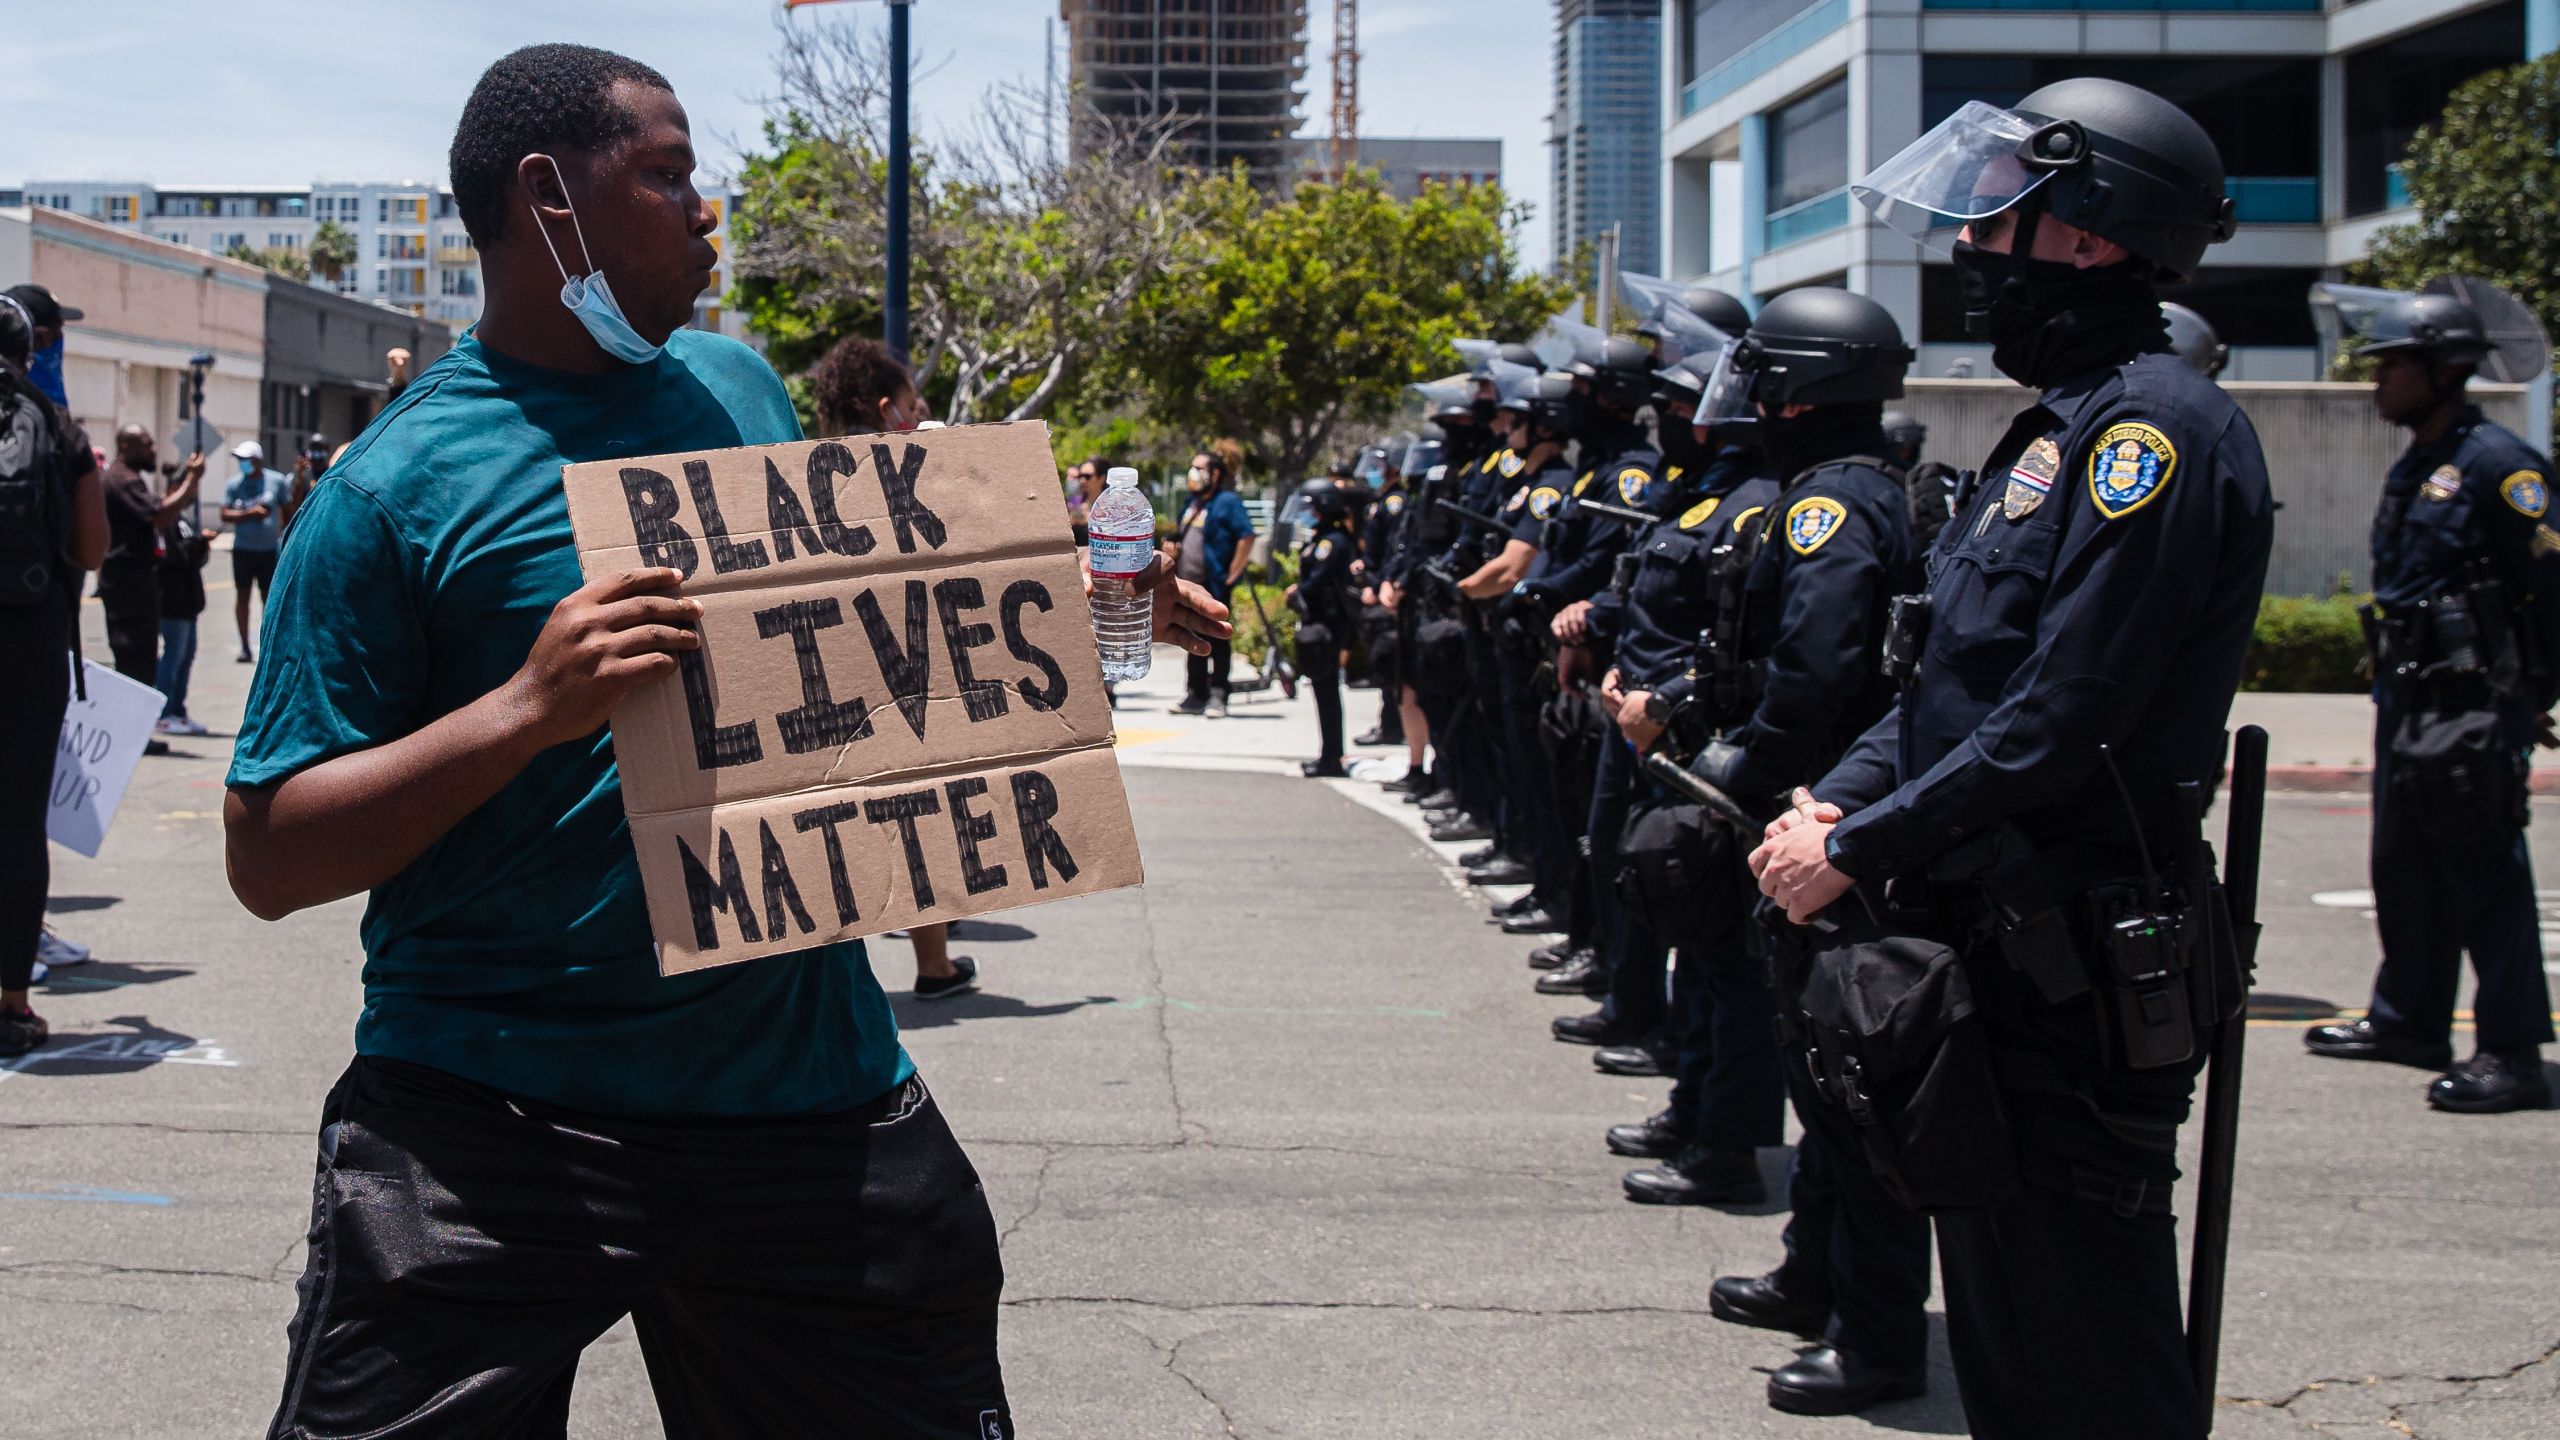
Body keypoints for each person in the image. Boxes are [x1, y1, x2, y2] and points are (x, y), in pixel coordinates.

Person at [222, 46, 1224, 1436]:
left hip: (800, 1105)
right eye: (669, 175)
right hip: (488, 1126)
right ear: (549, 201)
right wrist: (525, 709)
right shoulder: (389, 494)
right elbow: (268, 851)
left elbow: (847, 646)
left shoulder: (734, 393)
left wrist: (1069, 600)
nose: (709, 213)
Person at [1752, 77, 2271, 1437]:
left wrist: (1852, 848)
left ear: (2091, 233)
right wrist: (1838, 798)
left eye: (2001, 214)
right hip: (1992, 953)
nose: (1974, 248)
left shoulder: (2153, 435)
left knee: (2084, 1357)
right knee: (2007, 1351)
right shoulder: (2060, 429)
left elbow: (2064, 718)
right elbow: (1946, 681)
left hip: (2076, 964)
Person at [2303, 286, 2557, 1113]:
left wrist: (2534, 696)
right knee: (2403, 866)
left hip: (2475, 705)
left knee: (2486, 873)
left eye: (2392, 366)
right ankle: (2408, 1021)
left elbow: (2552, 588)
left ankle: (2513, 1051)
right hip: (2411, 697)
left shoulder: (2502, 468)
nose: (2377, 382)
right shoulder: (2423, 463)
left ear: (2445, 370)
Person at [808, 331, 982, 1003]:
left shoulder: (801, 477)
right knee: (922, 823)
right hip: (907, 677)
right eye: (912, 402)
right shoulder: (919, 475)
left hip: (828, 682)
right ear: (889, 410)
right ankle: (933, 966)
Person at [0, 292, 107, 1056]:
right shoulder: (60, 427)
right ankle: (12, 1001)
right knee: (17, 823)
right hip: (29, 645)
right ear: (32, 349)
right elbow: (94, 548)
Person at [98, 425, 203, 695]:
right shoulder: (123, 480)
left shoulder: (126, 477)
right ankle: (133, 733)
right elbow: (160, 514)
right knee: (135, 660)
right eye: (146, 444)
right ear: (125, 446)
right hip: (128, 585)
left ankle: (140, 733)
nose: (153, 449)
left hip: (134, 582)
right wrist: (191, 479)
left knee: (143, 659)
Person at [1173, 447, 1254, 717]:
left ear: (1215, 474)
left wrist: (1232, 573)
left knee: (1218, 639)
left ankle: (1219, 693)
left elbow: (1246, 536)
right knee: (1192, 636)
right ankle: (1195, 693)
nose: (1192, 474)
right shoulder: (1191, 504)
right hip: (1188, 586)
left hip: (1215, 586)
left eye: (1199, 468)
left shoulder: (1227, 502)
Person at [1291, 482, 1362, 777]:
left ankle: (1332, 757)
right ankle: (1328, 753)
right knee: (1323, 691)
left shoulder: (1332, 542)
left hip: (1328, 627)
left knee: (1328, 691)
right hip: (1320, 624)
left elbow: (1318, 581)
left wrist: (1298, 591)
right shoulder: (1324, 538)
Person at [221, 438, 295, 662]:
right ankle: (245, 646)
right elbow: (225, 514)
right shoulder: (234, 484)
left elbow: (288, 508)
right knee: (243, 596)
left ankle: (269, 645)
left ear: (258, 460)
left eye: (246, 459)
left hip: (268, 550)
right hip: (244, 549)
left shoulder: (276, 481)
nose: (242, 463)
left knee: (269, 599)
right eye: (240, 460)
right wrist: (249, 513)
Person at [154, 503, 215, 736]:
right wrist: (199, 543)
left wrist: (199, 545)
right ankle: (164, 713)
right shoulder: (167, 521)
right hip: (172, 602)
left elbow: (195, 558)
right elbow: (178, 555)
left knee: (186, 657)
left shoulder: (183, 521)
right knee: (173, 657)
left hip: (188, 604)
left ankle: (177, 710)